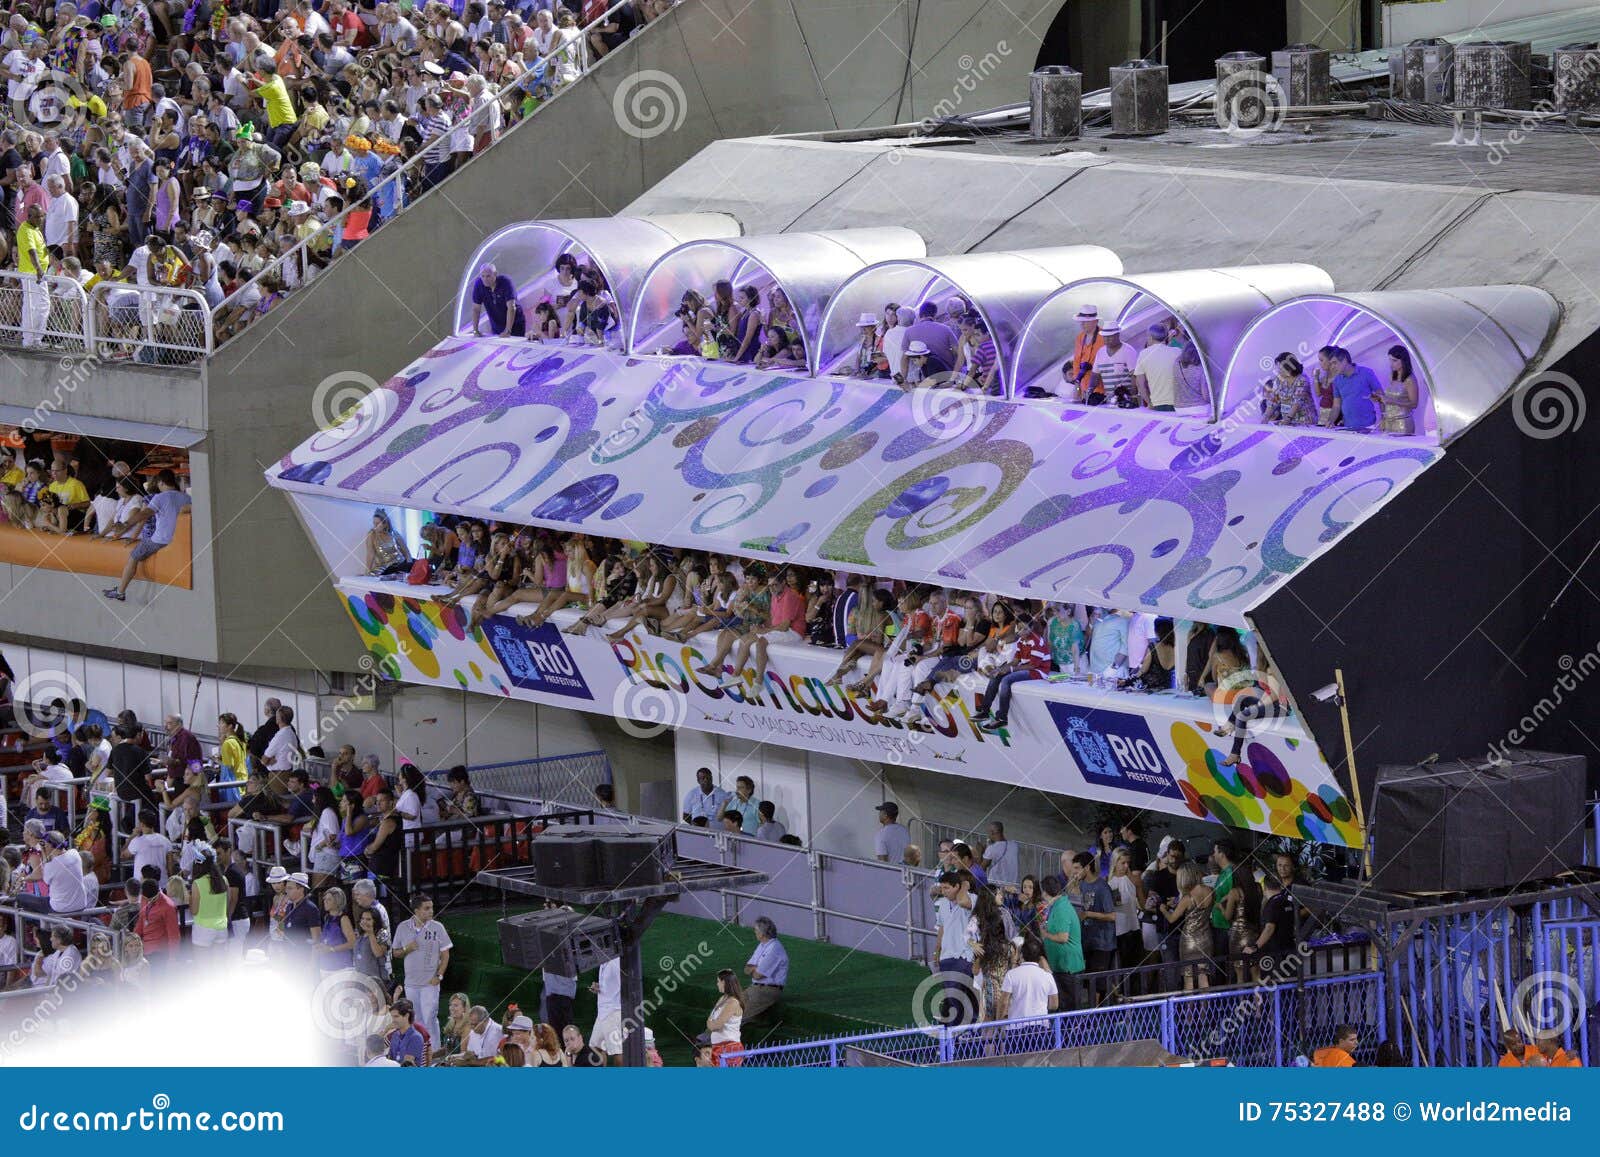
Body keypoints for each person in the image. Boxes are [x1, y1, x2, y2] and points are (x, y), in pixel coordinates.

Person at [102, 470, 191, 601]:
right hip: (179, 540)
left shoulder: (160, 497)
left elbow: (144, 514)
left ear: (161, 482)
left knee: (133, 556)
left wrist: (126, 524)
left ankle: (120, 591)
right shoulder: (186, 497)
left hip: (160, 540)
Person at [393, 893, 452, 1045]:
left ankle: (436, 1053)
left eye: (431, 908)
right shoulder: (403, 927)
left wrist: (439, 976)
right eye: (427, 908)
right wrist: (408, 948)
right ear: (416, 910)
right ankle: (422, 1052)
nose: (431, 911)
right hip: (411, 984)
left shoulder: (437, 927)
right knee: (416, 1020)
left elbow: (445, 954)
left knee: (430, 1019)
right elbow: (395, 953)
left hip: (429, 984)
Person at [996, 938, 1059, 1045]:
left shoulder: (1011, 974)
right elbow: (1054, 1005)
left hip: (1015, 1028)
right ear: (1039, 956)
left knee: (1015, 1061)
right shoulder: (1048, 976)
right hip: (1041, 1027)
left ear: (1022, 955)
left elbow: (1003, 1003)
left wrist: (998, 1021)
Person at [933, 870, 976, 1025]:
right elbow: (942, 928)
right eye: (942, 888)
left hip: (964, 956)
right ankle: (959, 1028)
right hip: (946, 957)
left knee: (956, 996)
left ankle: (956, 1029)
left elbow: (962, 901)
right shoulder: (942, 904)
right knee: (953, 997)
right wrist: (937, 951)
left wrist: (964, 886)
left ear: (957, 886)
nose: (943, 892)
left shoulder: (971, 898)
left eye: (947, 888)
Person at [1039, 874, 1084, 1010]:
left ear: (1046, 892)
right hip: (1060, 966)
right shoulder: (1057, 905)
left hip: (1067, 967)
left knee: (1069, 1008)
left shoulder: (1061, 908)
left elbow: (1063, 937)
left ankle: (1072, 1031)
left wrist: (1045, 934)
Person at [741, 916, 788, 1022]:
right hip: (754, 988)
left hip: (768, 991)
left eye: (756, 930)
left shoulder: (774, 949)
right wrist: (755, 968)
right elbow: (746, 969)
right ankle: (702, 1038)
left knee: (736, 1017)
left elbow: (757, 975)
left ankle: (708, 1038)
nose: (754, 932)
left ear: (762, 933)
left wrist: (754, 969)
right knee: (728, 1007)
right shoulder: (762, 945)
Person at [1323, 346, 1380, 431]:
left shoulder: (1367, 373)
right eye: (1331, 364)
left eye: (1334, 363)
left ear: (1345, 360)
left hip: (1370, 427)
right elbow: (1336, 406)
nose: (1332, 367)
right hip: (1348, 427)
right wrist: (1330, 421)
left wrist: (1383, 418)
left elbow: (1381, 396)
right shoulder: (1337, 380)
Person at [1134, 322, 1185, 410]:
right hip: (1181, 402)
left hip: (1157, 404)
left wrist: (1149, 402)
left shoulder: (1143, 354)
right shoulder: (1178, 351)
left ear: (1150, 337)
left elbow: (1140, 384)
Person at [469, 262, 525, 336]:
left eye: (488, 276)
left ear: (495, 274)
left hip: (515, 324)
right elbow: (476, 309)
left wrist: (508, 331)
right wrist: (475, 330)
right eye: (482, 276)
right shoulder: (479, 284)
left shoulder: (506, 282)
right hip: (496, 326)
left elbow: (511, 307)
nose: (485, 279)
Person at [1376, 344, 1420, 435]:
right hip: (1389, 421)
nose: (1391, 364)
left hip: (1403, 423)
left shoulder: (1410, 379)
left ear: (1404, 361)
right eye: (1390, 360)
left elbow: (1414, 404)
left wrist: (1392, 401)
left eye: (1394, 361)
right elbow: (1390, 398)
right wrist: (1379, 399)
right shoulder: (1392, 376)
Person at [706, 969, 744, 1067]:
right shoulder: (722, 999)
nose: (717, 984)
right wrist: (711, 1023)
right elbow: (710, 1022)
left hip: (730, 1047)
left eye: (718, 981)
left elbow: (715, 1026)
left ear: (724, 982)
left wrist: (711, 1023)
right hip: (717, 1047)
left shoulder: (733, 1002)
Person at [588, 955, 623, 1065]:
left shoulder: (616, 961)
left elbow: (624, 983)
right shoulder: (603, 961)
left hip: (613, 1011)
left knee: (617, 1051)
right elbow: (609, 984)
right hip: (603, 1012)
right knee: (595, 1047)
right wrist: (598, 987)